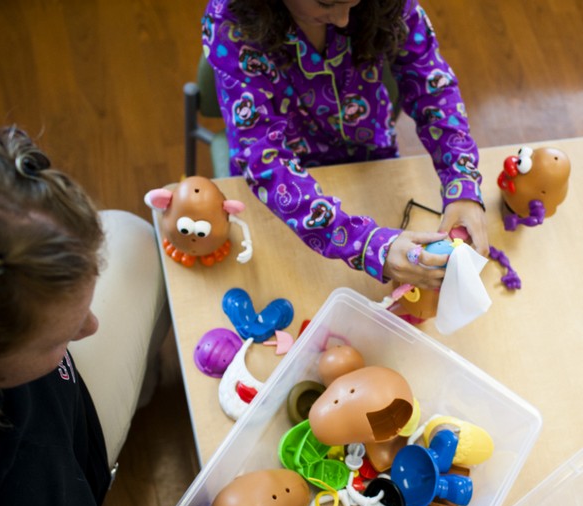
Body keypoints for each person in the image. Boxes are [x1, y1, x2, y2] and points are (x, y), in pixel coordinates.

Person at [0, 126, 450, 506]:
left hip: (58, 412)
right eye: (58, 335)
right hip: (40, 487)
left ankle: (128, 390)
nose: (89, 327)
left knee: (130, 235)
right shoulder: (10, 494)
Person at [202, 0, 489, 292]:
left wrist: (461, 180)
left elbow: (432, 86)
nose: (342, 20)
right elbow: (263, 157)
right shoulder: (231, 21)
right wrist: (366, 246)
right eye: (327, 3)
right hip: (282, 186)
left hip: (372, 157)